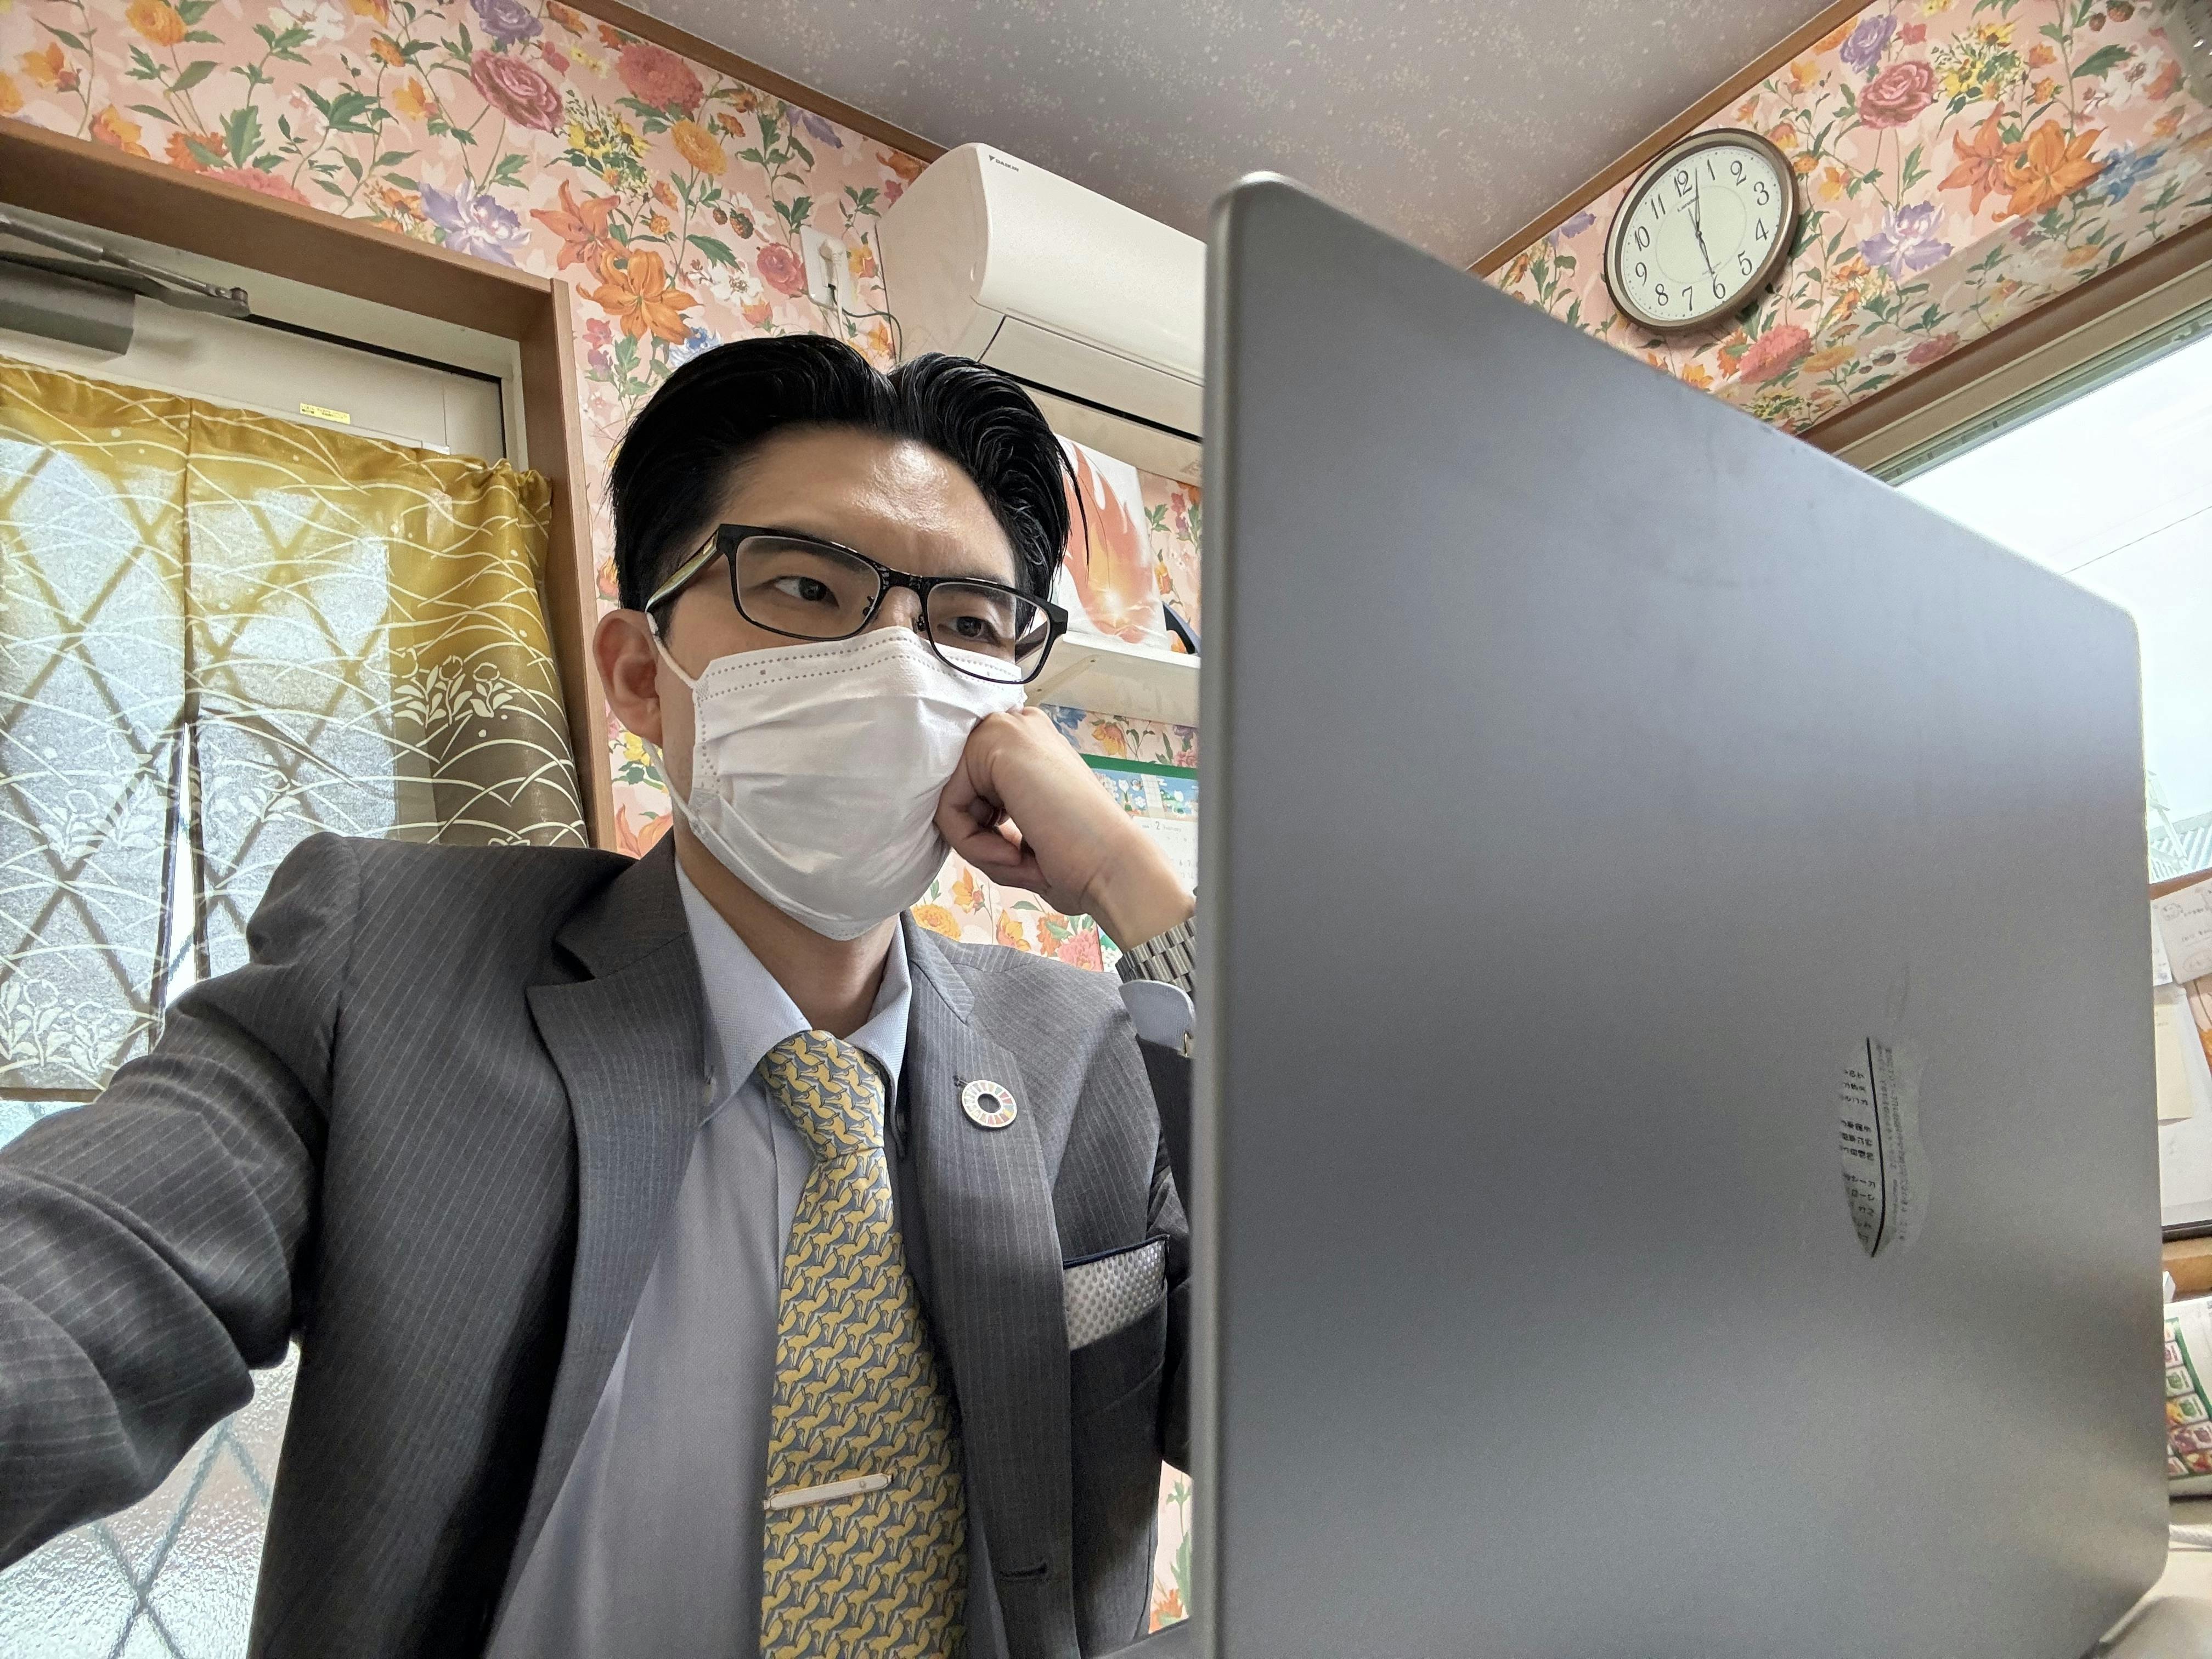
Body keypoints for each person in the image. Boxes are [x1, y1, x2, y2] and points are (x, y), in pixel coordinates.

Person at [0, 336, 1201, 1659]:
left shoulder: (1087, 1057)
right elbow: (73, 1289)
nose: (899, 667)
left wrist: (1140, 887)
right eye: (808, 588)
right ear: (641, 675)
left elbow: (1343, 1373)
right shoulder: (388, 973)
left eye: (967, 625)